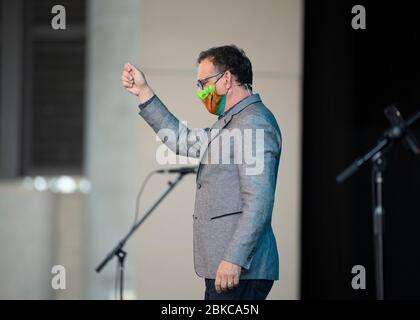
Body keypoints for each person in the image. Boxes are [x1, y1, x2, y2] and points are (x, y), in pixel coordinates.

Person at [121, 45, 282, 300]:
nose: (200, 91)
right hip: (226, 267)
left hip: (239, 270)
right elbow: (180, 140)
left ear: (227, 79)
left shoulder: (253, 123)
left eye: (204, 82)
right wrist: (143, 92)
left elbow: (259, 201)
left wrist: (234, 258)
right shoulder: (231, 124)